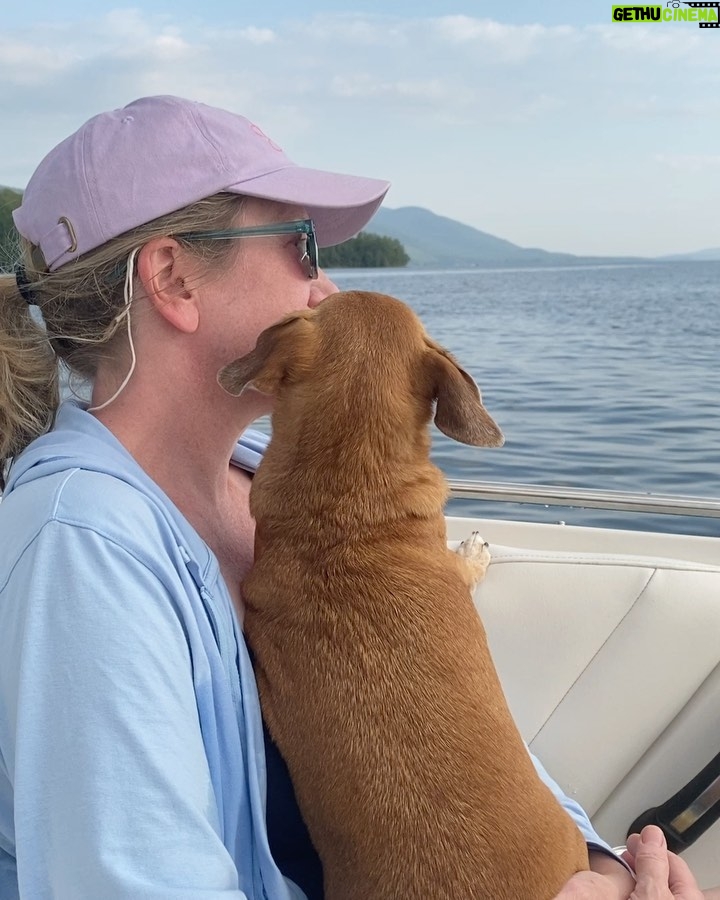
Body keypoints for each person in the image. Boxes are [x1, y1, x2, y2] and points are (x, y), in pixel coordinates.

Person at [0, 94, 713, 900]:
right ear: (173, 278)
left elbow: (462, 733)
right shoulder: (85, 545)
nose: (327, 287)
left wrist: (601, 870)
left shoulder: (267, 467)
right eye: (301, 245)